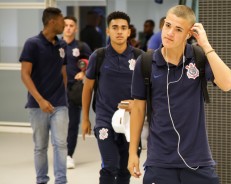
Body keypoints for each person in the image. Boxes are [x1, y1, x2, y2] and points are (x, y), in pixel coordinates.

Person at [128, 5, 231, 184]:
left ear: (188, 34)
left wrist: (206, 45)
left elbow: (228, 84)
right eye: (168, 25)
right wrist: (133, 153)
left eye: (178, 29)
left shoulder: (198, 57)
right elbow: (138, 109)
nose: (170, 33)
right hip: (159, 161)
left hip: (197, 161)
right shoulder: (146, 62)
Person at [81, 11, 143, 184]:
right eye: (115, 28)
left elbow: (149, 90)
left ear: (129, 31)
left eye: (123, 28)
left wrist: (136, 105)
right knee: (110, 166)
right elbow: (88, 88)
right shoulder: (98, 56)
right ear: (108, 31)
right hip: (105, 120)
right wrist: (85, 118)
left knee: (126, 170)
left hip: (132, 122)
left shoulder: (139, 57)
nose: (119, 31)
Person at [19, 7, 69, 184]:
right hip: (37, 105)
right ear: (52, 21)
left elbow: (63, 72)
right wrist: (40, 100)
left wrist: (63, 94)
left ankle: (61, 181)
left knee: (61, 145)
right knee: (40, 147)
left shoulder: (62, 45)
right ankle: (41, 180)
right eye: (62, 21)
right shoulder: (32, 44)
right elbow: (25, 74)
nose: (65, 24)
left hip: (60, 105)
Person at [63, 15, 92, 169]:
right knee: (57, 123)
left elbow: (90, 63)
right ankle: (59, 153)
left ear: (75, 28)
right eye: (65, 25)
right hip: (56, 90)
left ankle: (69, 155)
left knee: (73, 123)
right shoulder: (55, 45)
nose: (68, 28)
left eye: (71, 25)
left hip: (74, 89)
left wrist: (84, 72)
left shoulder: (81, 46)